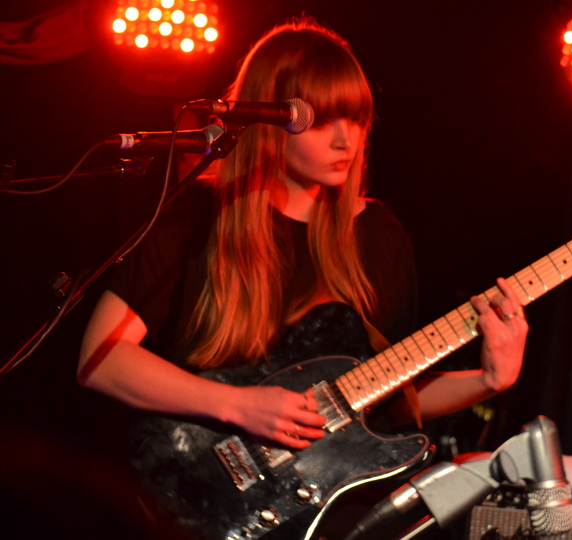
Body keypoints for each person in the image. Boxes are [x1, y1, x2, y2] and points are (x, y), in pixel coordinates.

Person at [77, 16, 528, 536]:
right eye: (320, 121)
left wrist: (489, 381)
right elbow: (101, 360)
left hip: (314, 512)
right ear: (269, 120)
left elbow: (387, 403)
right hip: (185, 485)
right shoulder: (198, 214)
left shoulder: (381, 238)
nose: (345, 140)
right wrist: (239, 405)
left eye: (356, 118)